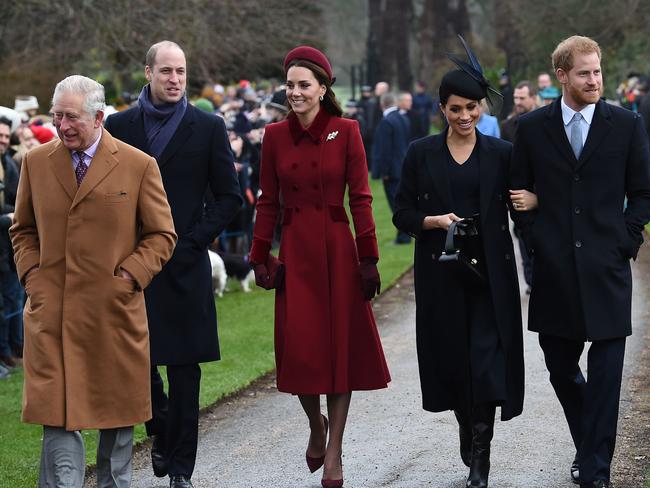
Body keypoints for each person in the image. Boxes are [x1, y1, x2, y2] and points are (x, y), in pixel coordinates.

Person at [10, 74, 177, 487]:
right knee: (58, 419)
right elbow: (22, 230)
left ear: (99, 117)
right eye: (57, 116)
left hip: (113, 315)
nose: (62, 125)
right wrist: (34, 278)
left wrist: (130, 276)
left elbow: (162, 234)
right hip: (53, 316)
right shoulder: (35, 162)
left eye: (72, 118)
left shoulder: (139, 165)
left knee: (117, 421)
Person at [510, 36, 650, 488]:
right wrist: (537, 241)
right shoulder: (531, 129)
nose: (595, 80)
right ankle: (590, 444)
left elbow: (644, 192)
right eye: (585, 73)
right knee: (560, 367)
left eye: (598, 71)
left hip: (607, 269)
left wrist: (625, 242)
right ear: (562, 77)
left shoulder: (626, 124)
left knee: (607, 378)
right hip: (554, 272)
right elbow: (517, 196)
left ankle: (595, 471)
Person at [249, 45, 390, 488]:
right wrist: (258, 255)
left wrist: (368, 258)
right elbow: (268, 200)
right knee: (301, 352)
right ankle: (316, 424)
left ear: (323, 88)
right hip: (296, 252)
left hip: (337, 249)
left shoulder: (346, 131)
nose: (295, 92)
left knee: (338, 352)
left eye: (303, 85)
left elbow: (361, 197)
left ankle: (335, 454)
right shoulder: (274, 136)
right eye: (289, 85)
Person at [104, 41, 242, 488]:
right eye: (166, 71)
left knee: (185, 370)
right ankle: (159, 427)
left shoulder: (207, 126)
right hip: (134, 266)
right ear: (148, 72)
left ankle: (182, 469)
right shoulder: (120, 126)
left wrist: (194, 240)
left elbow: (229, 197)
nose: (175, 79)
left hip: (185, 265)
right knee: (139, 362)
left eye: (181, 71)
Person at [392, 38, 527, 488]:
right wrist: (429, 220)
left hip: (490, 274)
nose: (466, 117)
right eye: (456, 109)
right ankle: (467, 427)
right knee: (452, 363)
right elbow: (402, 212)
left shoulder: (502, 154)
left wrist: (533, 200)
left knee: (486, 364)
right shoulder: (420, 153)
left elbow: (524, 204)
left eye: (472, 108)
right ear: (442, 109)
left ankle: (481, 459)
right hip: (441, 272)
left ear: (482, 107)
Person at [374, 92, 411, 244]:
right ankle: (404, 235)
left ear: (382, 104)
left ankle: (403, 236)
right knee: (401, 202)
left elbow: (385, 150)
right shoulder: (403, 118)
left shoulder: (386, 122)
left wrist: (384, 172)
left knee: (396, 204)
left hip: (392, 170)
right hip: (403, 166)